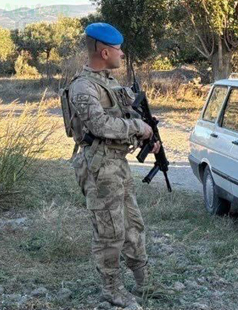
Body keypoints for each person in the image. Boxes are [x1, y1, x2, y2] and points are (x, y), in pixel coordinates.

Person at [64, 22, 162, 308]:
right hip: (98, 166)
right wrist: (136, 126)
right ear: (104, 51)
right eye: (118, 50)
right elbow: (99, 124)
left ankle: (144, 281)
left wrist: (148, 136)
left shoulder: (108, 82)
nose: (122, 54)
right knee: (109, 230)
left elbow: (128, 114)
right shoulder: (83, 87)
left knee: (132, 224)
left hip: (116, 163)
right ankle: (112, 288)